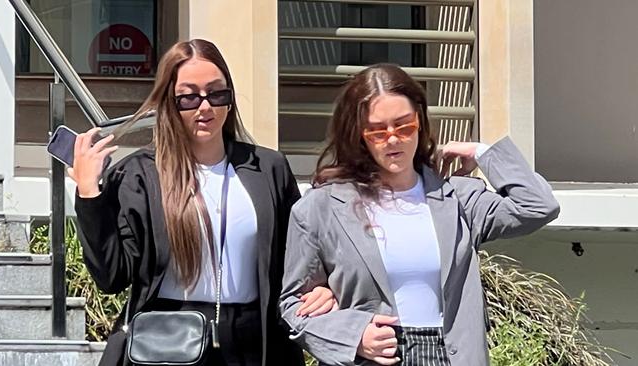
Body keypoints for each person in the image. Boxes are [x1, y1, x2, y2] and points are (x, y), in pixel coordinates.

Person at [69, 39, 334, 366]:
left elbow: (297, 255)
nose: (204, 106)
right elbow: (111, 276)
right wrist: (89, 193)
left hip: (253, 342)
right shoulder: (142, 174)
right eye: (189, 97)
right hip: (169, 339)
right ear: (169, 102)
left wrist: (324, 286)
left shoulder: (267, 168)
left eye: (216, 94)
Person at [279, 63, 560, 366]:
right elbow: (294, 306)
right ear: (358, 135)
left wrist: (480, 151)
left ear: (420, 123)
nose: (393, 139)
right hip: (375, 356)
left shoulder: (457, 198)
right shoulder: (321, 208)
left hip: (452, 355)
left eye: (404, 126)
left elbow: (538, 206)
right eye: (377, 131)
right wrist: (354, 336)